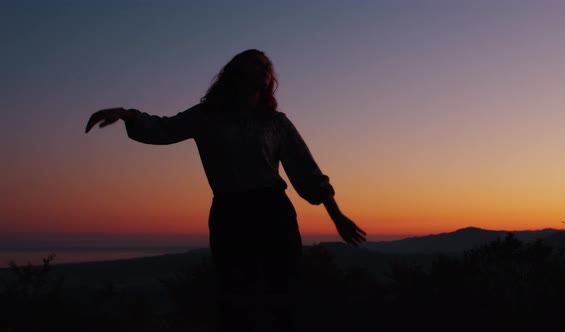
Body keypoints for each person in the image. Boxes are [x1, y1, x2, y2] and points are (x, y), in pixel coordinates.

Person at [85, 49, 366, 332]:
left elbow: (308, 172)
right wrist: (125, 115)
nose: (264, 70)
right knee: (236, 300)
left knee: (284, 297)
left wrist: (337, 216)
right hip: (230, 214)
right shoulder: (207, 117)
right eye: (256, 64)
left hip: (273, 213)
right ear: (236, 72)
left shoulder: (276, 123)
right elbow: (163, 128)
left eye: (267, 67)